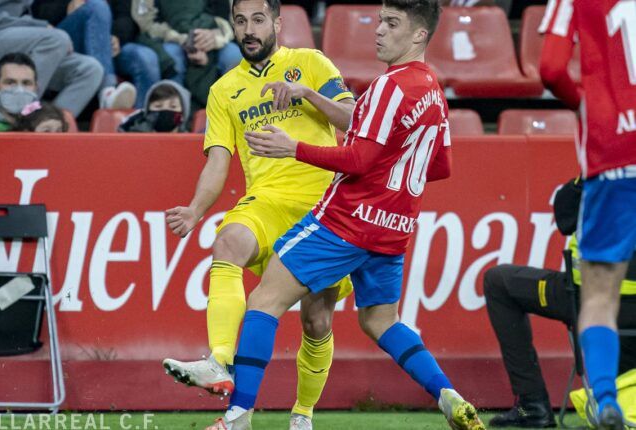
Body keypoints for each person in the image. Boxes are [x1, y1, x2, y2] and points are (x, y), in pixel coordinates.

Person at [204, 1, 487, 429]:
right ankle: (446, 393)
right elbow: (441, 165)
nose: (378, 31)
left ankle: (237, 416)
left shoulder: (389, 87)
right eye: (379, 21)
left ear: (418, 35)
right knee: (380, 320)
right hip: (394, 228)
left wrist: (292, 147)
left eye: (392, 24)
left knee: (264, 300)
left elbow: (356, 159)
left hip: (346, 221)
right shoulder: (432, 89)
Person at [161, 0, 357, 428]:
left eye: (257, 19)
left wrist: (307, 94)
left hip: (322, 205)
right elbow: (217, 162)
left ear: (277, 23)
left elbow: (355, 119)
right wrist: (196, 210)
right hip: (266, 200)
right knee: (227, 240)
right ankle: (220, 363)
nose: (248, 29)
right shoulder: (223, 90)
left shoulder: (309, 62)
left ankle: (302, 415)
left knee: (317, 321)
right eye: (240, 21)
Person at [539, 1, 636, 428]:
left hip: (613, 151)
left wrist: (587, 105)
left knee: (599, 297)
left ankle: (606, 398)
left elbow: (552, 69)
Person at [484, 177, 636, 428]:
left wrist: (590, 174)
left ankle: (533, 406)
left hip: (590, 301)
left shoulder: (603, 174)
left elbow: (564, 215)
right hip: (615, 315)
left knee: (498, 282)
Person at [0, 0, 103, 118]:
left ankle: (49, 126)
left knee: (89, 69)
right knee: (56, 39)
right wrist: (40, 27)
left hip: (12, 45)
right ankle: (20, 115)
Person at [133, 0, 243, 109]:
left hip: (213, 37)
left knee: (234, 57)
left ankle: (239, 113)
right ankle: (176, 117)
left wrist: (215, 36)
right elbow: (146, 24)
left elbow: (226, 17)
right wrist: (181, 38)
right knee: (174, 59)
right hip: (170, 38)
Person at [31, 0, 139, 109]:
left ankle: (141, 120)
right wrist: (66, 6)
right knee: (97, 6)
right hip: (62, 38)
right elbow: (38, 12)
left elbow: (125, 17)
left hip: (107, 43)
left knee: (145, 57)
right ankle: (107, 89)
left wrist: (117, 36)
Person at [118, 80, 192, 132]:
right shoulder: (135, 136)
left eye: (173, 106)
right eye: (158, 106)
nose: (165, 110)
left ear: (183, 113)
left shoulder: (191, 144)